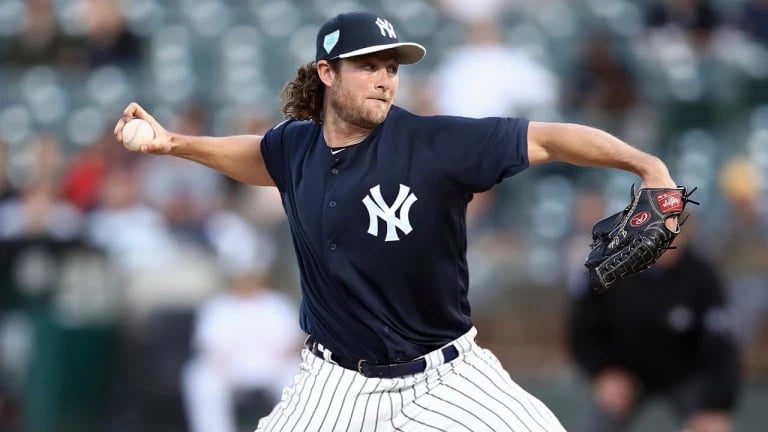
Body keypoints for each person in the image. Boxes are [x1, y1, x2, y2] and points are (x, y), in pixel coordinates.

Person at [113, 11, 680, 431]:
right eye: (369, 66)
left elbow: (551, 138)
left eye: (392, 67)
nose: (385, 78)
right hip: (335, 382)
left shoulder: (435, 143)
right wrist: (173, 143)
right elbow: (256, 154)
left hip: (447, 373)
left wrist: (646, 163)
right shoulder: (296, 148)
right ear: (327, 73)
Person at [567, 224, 741, 432]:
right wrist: (602, 372)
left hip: (685, 374)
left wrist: (716, 404)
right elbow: (582, 331)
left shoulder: (702, 275)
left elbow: (722, 344)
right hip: (625, 374)